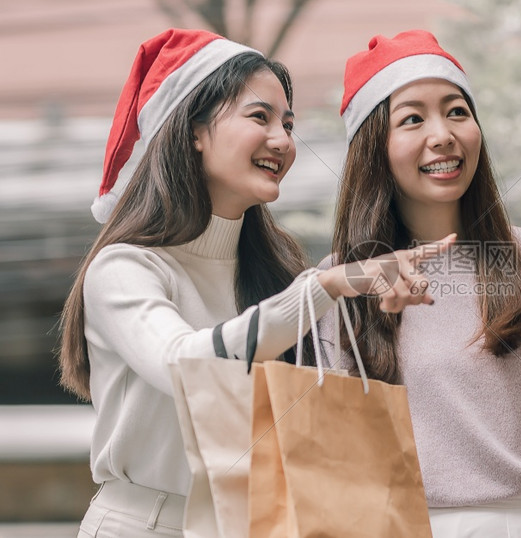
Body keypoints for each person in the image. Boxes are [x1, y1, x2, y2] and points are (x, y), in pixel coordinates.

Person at [58, 28, 450, 538]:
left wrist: (380, 315)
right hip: (143, 523)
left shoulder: (277, 268)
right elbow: (184, 365)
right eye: (259, 117)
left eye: (288, 124)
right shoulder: (125, 268)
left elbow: (308, 405)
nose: (283, 141)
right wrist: (324, 287)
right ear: (194, 130)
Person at [320, 29, 521, 536]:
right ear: (375, 148)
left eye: (457, 110)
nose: (443, 134)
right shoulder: (343, 283)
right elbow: (334, 461)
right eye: (412, 119)